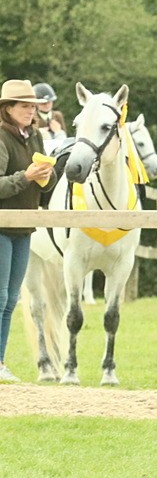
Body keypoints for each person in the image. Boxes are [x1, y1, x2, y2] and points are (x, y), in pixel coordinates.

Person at [0, 80, 57, 382]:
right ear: (8, 109)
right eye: (24, 105)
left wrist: (50, 175)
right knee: (0, 299)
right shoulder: (0, 137)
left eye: (32, 105)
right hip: (1, 225)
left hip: (24, 225)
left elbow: (43, 186)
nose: (30, 110)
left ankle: (0, 363)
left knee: (10, 300)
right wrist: (27, 176)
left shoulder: (34, 136)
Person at [32, 82, 67, 154]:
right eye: (43, 103)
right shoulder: (33, 116)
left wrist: (58, 131)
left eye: (49, 102)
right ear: (36, 104)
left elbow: (65, 137)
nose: (47, 105)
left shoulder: (58, 115)